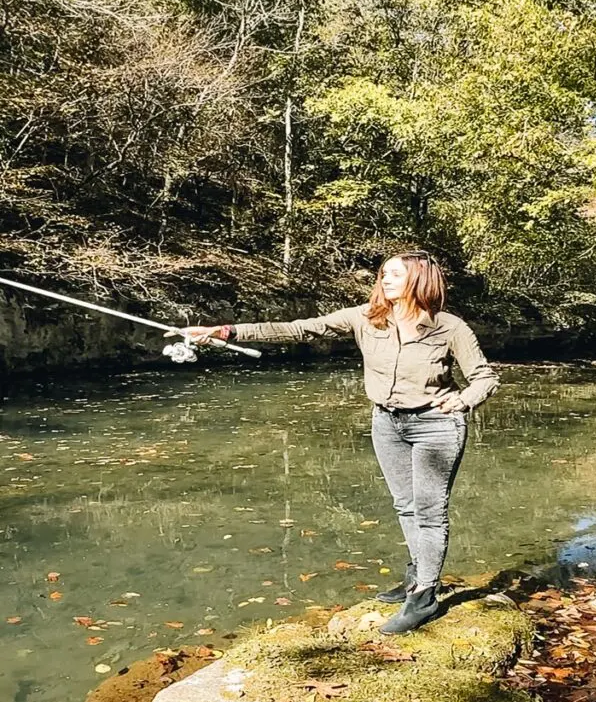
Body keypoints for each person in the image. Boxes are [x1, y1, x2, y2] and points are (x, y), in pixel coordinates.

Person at [171, 251, 499, 634]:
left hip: (436, 426)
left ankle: (424, 596)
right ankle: (417, 574)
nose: (385, 279)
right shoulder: (365, 318)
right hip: (387, 423)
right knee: (405, 505)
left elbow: (484, 378)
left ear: (419, 279)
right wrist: (225, 332)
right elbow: (299, 328)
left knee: (429, 511)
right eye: (383, 274)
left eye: (395, 274)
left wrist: (462, 399)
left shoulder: (448, 327)